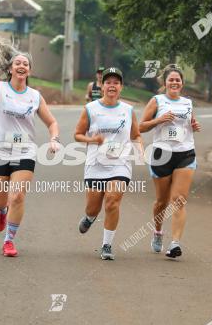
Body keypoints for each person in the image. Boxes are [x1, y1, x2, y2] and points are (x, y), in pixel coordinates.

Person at [0, 37, 61, 257]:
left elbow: (52, 122)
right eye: (17, 63)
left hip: (24, 151)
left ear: (29, 71)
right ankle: (1, 211)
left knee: (17, 196)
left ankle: (9, 240)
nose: (22, 66)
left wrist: (54, 139)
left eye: (26, 64)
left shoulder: (35, 96)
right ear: (10, 68)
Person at [74, 67, 142, 260]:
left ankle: (106, 245)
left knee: (112, 201)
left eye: (116, 83)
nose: (112, 86)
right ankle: (89, 218)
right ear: (102, 86)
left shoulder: (128, 110)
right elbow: (77, 134)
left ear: (121, 87)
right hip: (95, 164)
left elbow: (136, 135)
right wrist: (92, 140)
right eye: (108, 82)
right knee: (93, 207)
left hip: (120, 163)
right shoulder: (91, 109)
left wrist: (140, 151)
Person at [139, 65, 201, 258]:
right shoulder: (157, 101)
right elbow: (140, 127)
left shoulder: (188, 103)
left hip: (185, 153)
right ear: (164, 83)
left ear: (182, 83)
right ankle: (158, 231)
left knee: (178, 201)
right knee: (161, 202)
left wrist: (195, 125)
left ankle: (175, 243)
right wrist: (159, 120)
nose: (174, 82)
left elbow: (191, 123)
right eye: (171, 79)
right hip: (162, 155)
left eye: (178, 80)